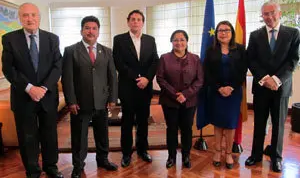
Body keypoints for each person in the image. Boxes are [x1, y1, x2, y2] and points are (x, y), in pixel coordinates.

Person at [1, 3, 63, 178]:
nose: (30, 19)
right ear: (20, 18)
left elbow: (57, 65)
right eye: (26, 15)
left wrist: (43, 88)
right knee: (27, 137)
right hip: (23, 97)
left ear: (39, 17)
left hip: (47, 96)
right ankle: (32, 171)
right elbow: (9, 69)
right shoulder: (9, 39)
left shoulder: (52, 38)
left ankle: (51, 167)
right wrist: (29, 88)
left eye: (33, 15)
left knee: (50, 135)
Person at [245, 1, 300, 172]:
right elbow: (250, 59)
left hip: (281, 88)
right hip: (261, 87)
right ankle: (256, 155)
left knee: (278, 124)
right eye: (265, 14)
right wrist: (265, 78)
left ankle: (276, 157)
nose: (269, 17)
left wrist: (276, 80)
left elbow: (293, 60)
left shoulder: (293, 33)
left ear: (279, 13)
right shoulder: (255, 35)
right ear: (262, 17)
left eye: (272, 13)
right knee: (259, 123)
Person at [62, 16, 118, 178]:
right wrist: (71, 101)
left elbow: (112, 77)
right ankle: (78, 165)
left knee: (102, 133)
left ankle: (103, 160)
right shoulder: (71, 51)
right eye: (87, 28)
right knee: (79, 136)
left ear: (98, 32)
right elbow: (67, 79)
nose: (90, 31)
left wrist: (113, 98)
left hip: (102, 101)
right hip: (80, 103)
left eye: (94, 28)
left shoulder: (106, 51)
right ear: (81, 31)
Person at [113, 10, 159, 167]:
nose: (135, 22)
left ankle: (142, 150)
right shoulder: (119, 40)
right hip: (127, 87)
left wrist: (147, 78)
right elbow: (119, 63)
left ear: (142, 22)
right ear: (128, 22)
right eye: (132, 19)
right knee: (127, 122)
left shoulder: (150, 40)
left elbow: (155, 61)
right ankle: (126, 153)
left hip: (145, 87)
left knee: (143, 121)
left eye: (139, 19)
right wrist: (137, 77)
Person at [156, 30, 204, 168]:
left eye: (182, 39)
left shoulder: (195, 59)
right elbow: (160, 78)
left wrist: (186, 94)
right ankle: (171, 156)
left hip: (189, 101)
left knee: (187, 129)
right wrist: (175, 94)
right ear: (171, 42)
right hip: (169, 100)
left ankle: (186, 156)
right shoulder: (164, 58)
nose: (179, 42)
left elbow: (199, 80)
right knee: (171, 128)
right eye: (176, 40)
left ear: (187, 42)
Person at [204, 21, 247, 169]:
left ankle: (228, 153)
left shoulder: (240, 49)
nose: (223, 33)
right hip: (216, 92)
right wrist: (219, 88)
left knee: (230, 123)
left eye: (227, 30)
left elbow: (242, 72)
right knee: (218, 123)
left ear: (232, 33)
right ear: (216, 33)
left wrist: (231, 88)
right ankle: (217, 151)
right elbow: (207, 72)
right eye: (220, 30)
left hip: (234, 93)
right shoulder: (211, 50)